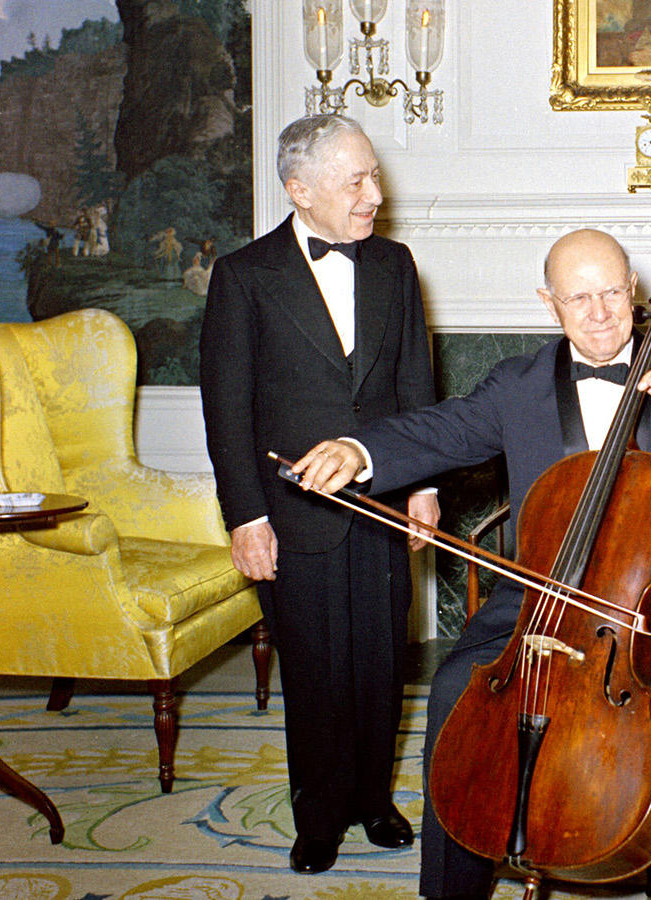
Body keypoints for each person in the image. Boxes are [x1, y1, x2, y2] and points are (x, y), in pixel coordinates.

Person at [290, 228, 651, 900]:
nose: (599, 313)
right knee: (454, 690)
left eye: (611, 293)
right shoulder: (517, 384)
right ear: (549, 304)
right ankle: (451, 890)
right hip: (538, 597)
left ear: (633, 290)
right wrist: (358, 451)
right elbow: (440, 430)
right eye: (579, 299)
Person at [199, 113, 440, 875]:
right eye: (355, 181)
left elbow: (415, 384)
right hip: (292, 515)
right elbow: (227, 411)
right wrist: (246, 516)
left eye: (375, 175)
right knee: (313, 672)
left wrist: (424, 485)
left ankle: (374, 799)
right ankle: (320, 815)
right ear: (299, 190)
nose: (375, 195)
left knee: (380, 663)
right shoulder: (244, 276)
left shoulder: (396, 264)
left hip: (382, 500)